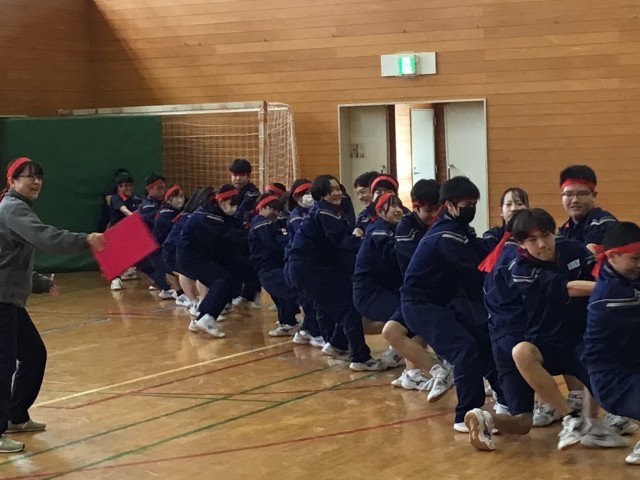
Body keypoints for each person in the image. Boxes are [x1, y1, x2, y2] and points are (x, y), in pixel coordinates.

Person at [465, 208, 621, 451]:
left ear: (554, 232)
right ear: (520, 244)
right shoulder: (521, 269)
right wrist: (611, 289)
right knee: (521, 365)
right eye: (532, 240)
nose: (542, 244)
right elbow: (568, 288)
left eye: (545, 235)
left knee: (609, 388)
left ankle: (591, 425)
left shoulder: (574, 250)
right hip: (537, 343)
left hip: (575, 340)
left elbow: (601, 271)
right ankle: (571, 418)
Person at [0, 157, 105, 453]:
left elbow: (9, 263)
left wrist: (41, 283)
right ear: (12, 181)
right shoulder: (12, 208)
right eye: (28, 176)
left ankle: (16, 416)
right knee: (3, 365)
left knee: (33, 354)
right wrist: (86, 240)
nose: (36, 181)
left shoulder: (16, 208)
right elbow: (45, 237)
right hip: (2, 302)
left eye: (39, 177)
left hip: (9, 300)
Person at [400, 176, 503, 432]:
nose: (472, 209)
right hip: (421, 306)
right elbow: (475, 273)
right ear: (449, 205)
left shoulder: (459, 229)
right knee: (465, 349)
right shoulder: (446, 235)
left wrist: (505, 232)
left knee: (483, 343)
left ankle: (508, 400)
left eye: (475, 204)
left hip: (442, 302)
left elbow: (482, 249)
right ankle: (466, 415)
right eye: (467, 204)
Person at [287, 174, 385, 371]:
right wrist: (367, 243)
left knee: (341, 304)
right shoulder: (325, 213)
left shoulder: (332, 211)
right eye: (331, 190)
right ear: (321, 194)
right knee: (347, 308)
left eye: (338, 189)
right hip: (308, 269)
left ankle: (337, 345)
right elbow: (344, 242)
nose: (337, 193)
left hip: (315, 268)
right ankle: (360, 358)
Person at [583, 221, 640, 464]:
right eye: (635, 258)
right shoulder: (612, 295)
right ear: (613, 256)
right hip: (613, 381)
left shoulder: (624, 275)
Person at [248, 193, 299, 336]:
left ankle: (288, 322)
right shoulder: (261, 223)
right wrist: (285, 240)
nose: (276, 212)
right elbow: (272, 244)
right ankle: (289, 322)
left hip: (272, 267)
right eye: (272, 208)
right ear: (262, 207)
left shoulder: (270, 223)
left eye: (277, 209)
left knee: (282, 294)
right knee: (286, 293)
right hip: (268, 267)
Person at [229, 158, 260, 225]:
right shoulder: (228, 191)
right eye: (235, 175)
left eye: (242, 175)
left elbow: (240, 216)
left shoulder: (253, 193)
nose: (238, 178)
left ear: (249, 176)